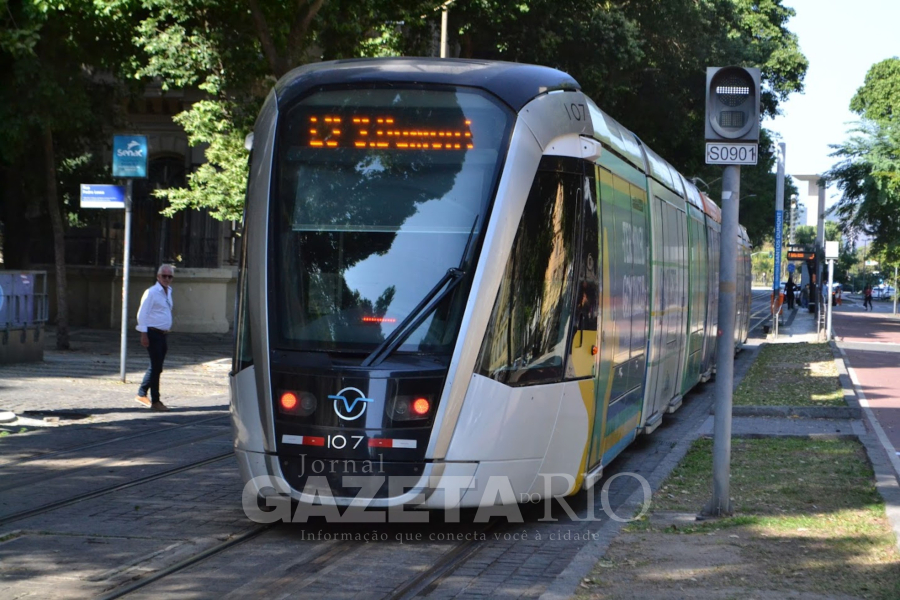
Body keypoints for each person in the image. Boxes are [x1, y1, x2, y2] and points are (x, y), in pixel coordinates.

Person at [135, 264, 175, 411]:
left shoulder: (169, 291)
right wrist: (144, 334)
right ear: (158, 277)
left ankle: (141, 393)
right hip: (152, 333)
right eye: (164, 276)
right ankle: (156, 401)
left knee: (156, 366)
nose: (167, 279)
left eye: (170, 276)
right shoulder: (151, 292)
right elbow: (142, 314)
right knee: (156, 366)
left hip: (163, 334)